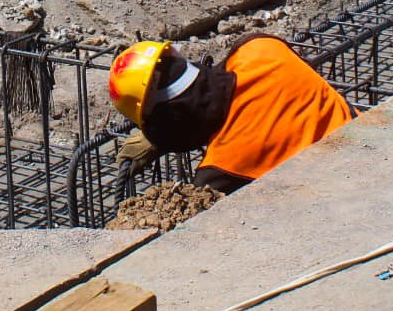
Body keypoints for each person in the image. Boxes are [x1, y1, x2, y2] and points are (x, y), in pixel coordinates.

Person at [107, 34, 354, 194]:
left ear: (171, 123)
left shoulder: (221, 169)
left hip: (339, 202)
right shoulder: (258, 47)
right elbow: (218, 82)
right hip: (368, 146)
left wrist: (161, 136)